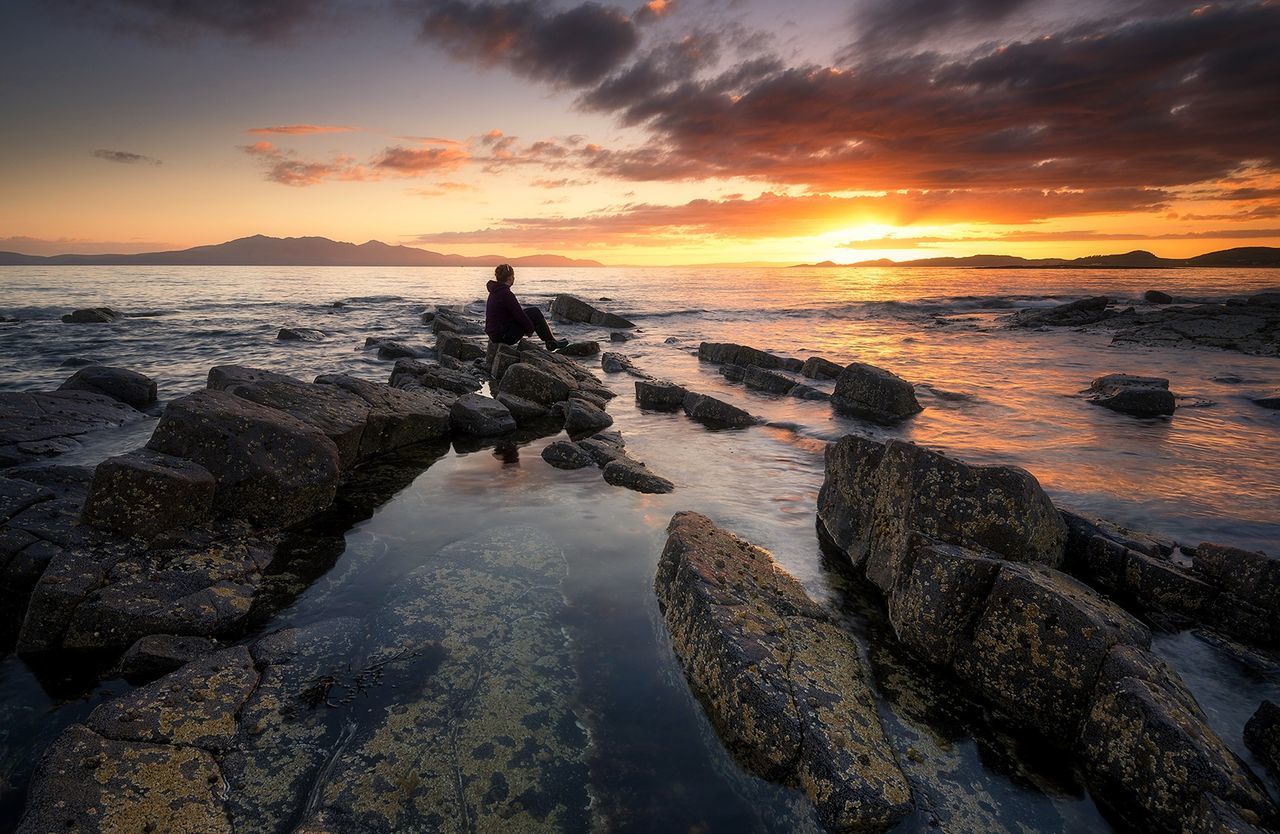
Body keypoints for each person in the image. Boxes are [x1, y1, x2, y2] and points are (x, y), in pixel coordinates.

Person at [484, 264, 569, 350]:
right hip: (504, 336)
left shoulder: (494, 291)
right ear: (510, 278)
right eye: (513, 276)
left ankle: (551, 342)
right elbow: (519, 314)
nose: (514, 278)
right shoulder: (506, 294)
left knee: (530, 312)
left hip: (495, 335)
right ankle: (551, 342)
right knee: (534, 313)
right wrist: (530, 329)